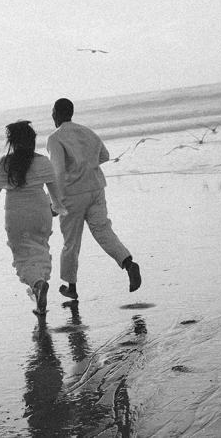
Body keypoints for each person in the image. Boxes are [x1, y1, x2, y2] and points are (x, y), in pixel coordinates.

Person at [0, 120, 67, 316]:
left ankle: (37, 285)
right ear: (32, 141)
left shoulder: (3, 164)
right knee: (41, 251)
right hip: (40, 212)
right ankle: (40, 288)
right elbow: (55, 193)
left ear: (12, 142)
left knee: (22, 257)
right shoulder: (43, 162)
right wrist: (57, 208)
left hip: (16, 214)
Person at [47, 98, 141, 300]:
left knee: (71, 241)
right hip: (96, 187)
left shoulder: (55, 138)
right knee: (103, 230)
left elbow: (58, 172)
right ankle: (128, 263)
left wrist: (55, 202)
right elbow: (104, 155)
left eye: (53, 112)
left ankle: (71, 287)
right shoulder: (87, 132)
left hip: (73, 194)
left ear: (56, 113)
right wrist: (86, 164)